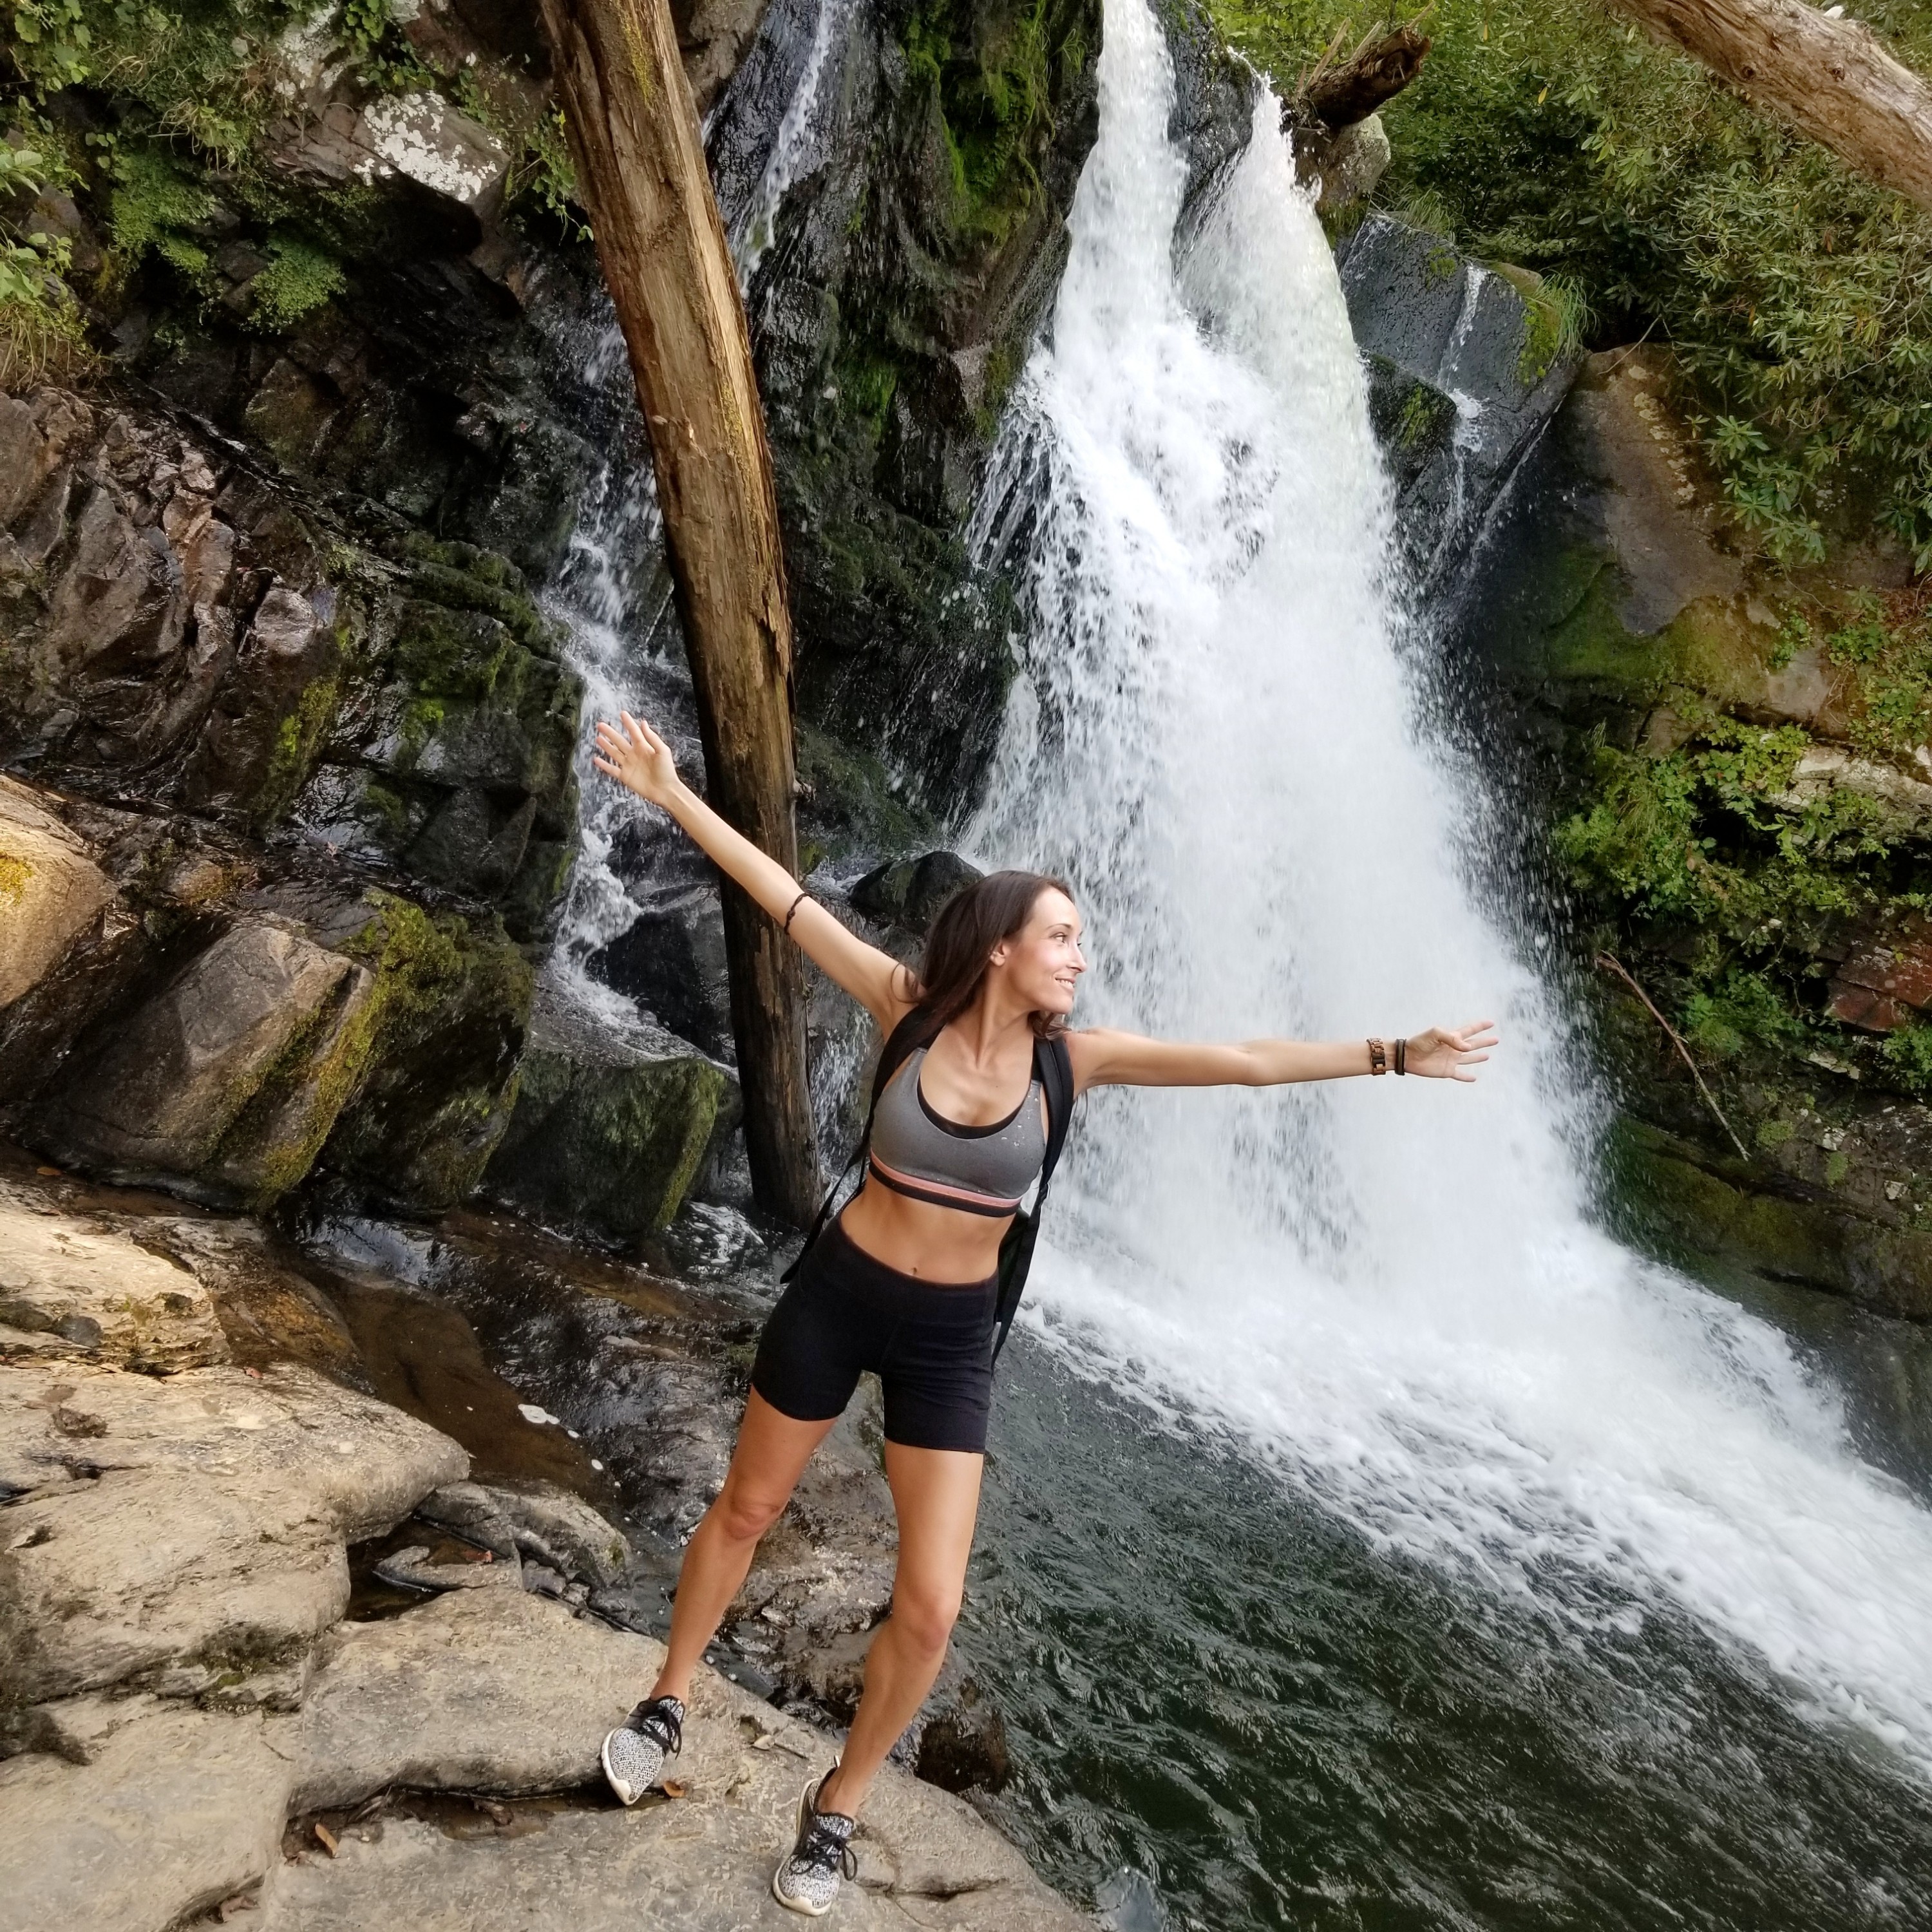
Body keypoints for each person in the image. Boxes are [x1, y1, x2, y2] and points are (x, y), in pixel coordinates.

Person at [588, 708, 1499, 1917]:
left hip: (953, 1338)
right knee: (749, 1506)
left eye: (1082, 940)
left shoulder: (1082, 1061)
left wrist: (1392, 1053)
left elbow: (1241, 1061)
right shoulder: (903, 1005)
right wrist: (670, 792)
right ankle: (669, 1698)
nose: (1080, 956)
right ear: (1002, 947)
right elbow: (783, 897)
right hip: (839, 1295)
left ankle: (839, 1808)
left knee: (933, 1604)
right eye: (1062, 935)